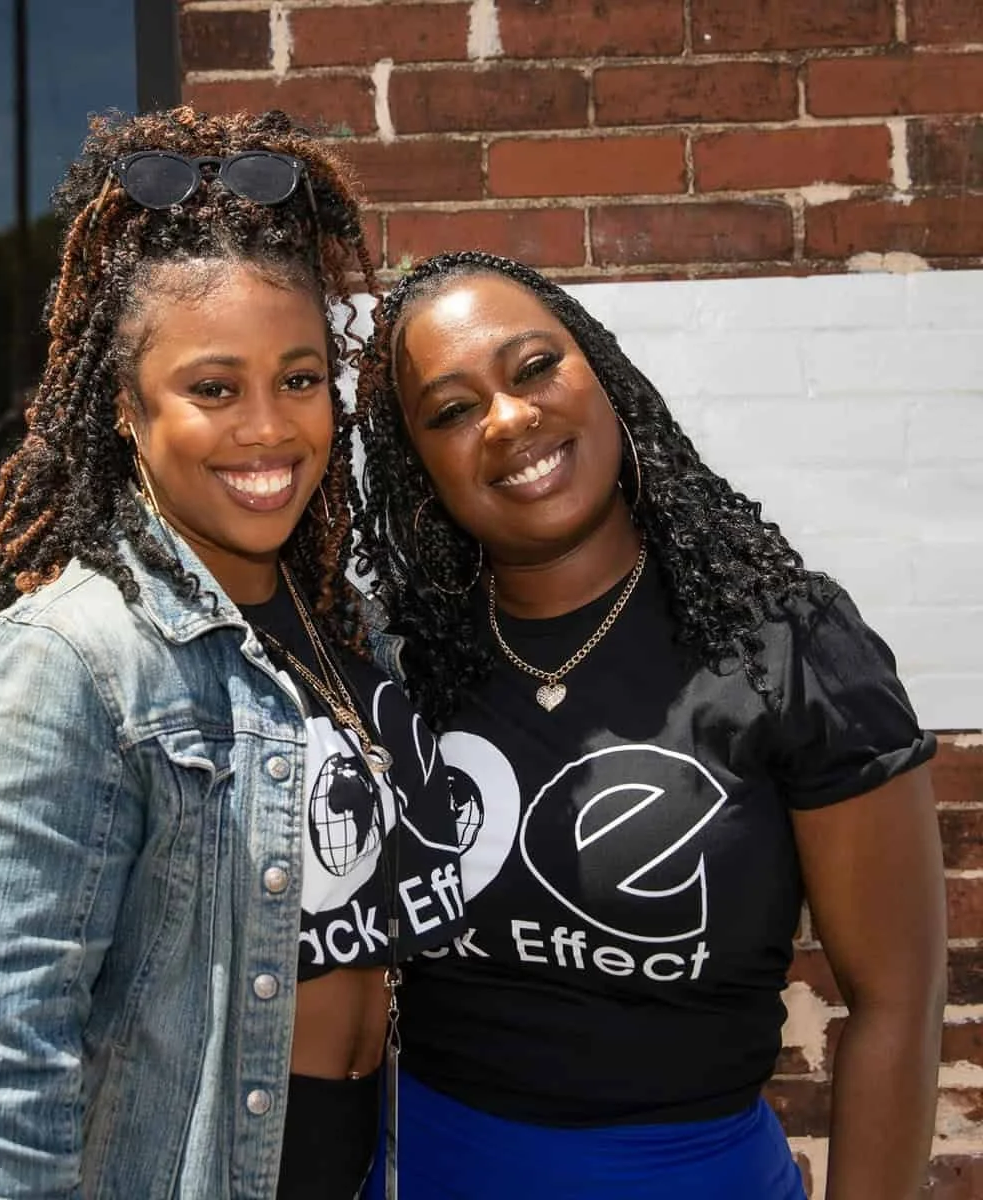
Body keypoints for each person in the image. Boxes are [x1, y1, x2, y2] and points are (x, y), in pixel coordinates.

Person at [0, 108, 463, 1200]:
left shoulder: (351, 638)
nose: (269, 428)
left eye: (298, 379)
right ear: (126, 408)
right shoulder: (57, 672)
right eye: (213, 388)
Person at [353, 251, 946, 1200]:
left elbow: (898, 1004)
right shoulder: (399, 665)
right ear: (420, 468)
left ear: (604, 373)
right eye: (452, 411)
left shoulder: (786, 648)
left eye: (535, 368)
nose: (509, 419)